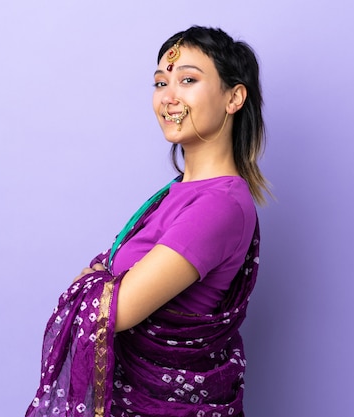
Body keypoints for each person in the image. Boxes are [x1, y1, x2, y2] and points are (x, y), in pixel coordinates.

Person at [26, 25, 270, 417]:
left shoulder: (218, 205)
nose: (168, 98)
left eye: (188, 80)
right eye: (160, 83)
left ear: (234, 97)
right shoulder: (174, 194)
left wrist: (94, 280)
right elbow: (106, 290)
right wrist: (102, 282)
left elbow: (113, 311)